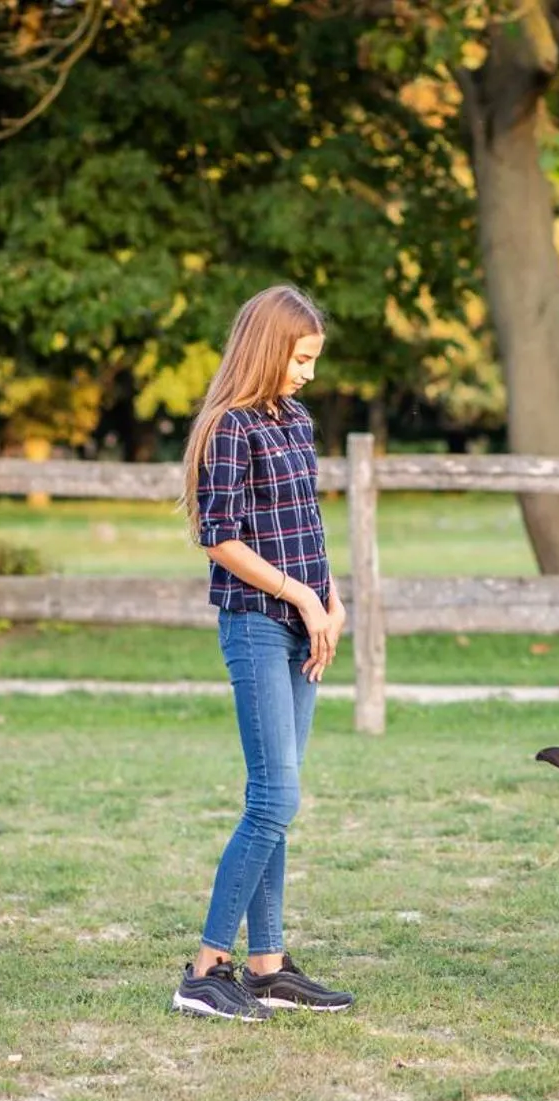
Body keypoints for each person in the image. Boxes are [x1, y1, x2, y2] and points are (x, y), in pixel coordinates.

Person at [171, 284, 355, 1021]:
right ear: (268, 348)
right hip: (256, 624)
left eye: (313, 359)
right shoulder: (228, 428)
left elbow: (305, 522)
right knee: (276, 796)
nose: (309, 372)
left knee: (273, 800)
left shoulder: (297, 419)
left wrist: (331, 597)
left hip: (305, 622)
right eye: (300, 357)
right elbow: (217, 535)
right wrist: (300, 598)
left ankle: (268, 964)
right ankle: (203, 970)